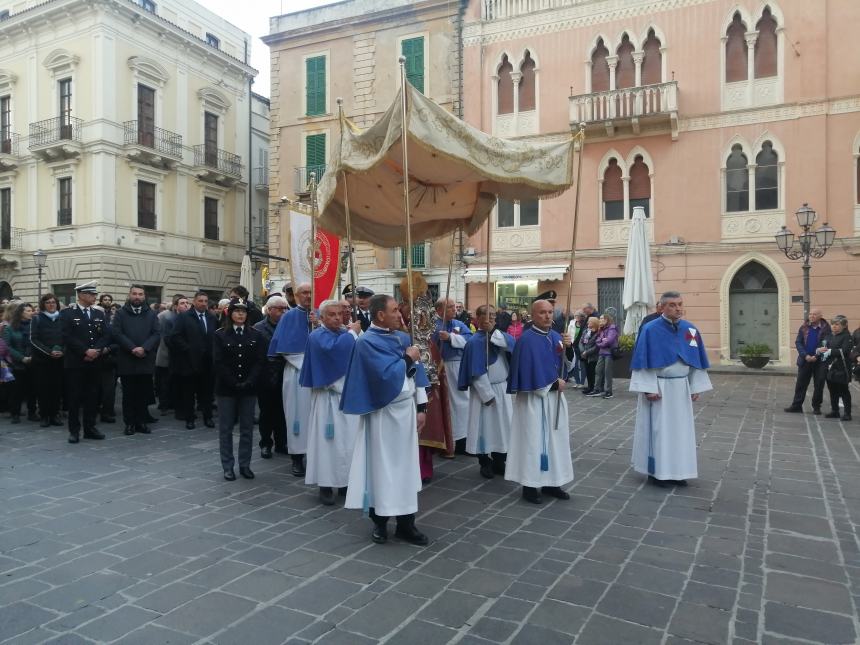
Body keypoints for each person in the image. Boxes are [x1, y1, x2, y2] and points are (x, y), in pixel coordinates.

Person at [341, 294, 429, 546]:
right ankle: (379, 522)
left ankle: (406, 523)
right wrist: (408, 358)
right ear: (380, 315)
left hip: (406, 412)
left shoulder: (402, 338)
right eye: (394, 311)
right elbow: (383, 378)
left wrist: (422, 406)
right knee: (381, 468)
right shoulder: (366, 343)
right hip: (383, 413)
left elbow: (417, 375)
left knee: (406, 469)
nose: (400, 315)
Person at [630, 291, 712, 487]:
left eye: (680, 304)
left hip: (681, 388)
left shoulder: (690, 330)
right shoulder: (650, 329)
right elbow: (642, 360)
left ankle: (678, 471)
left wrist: (695, 386)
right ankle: (656, 472)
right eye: (673, 305)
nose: (678, 308)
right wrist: (648, 388)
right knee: (658, 431)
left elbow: (695, 360)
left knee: (681, 432)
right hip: (659, 388)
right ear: (662, 307)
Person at [506, 299, 574, 504]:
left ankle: (553, 482)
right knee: (533, 441)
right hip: (533, 403)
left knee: (556, 441)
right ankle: (530, 485)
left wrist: (569, 349)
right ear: (533, 315)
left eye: (550, 312)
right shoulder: (526, 340)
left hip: (555, 400)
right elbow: (527, 372)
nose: (547, 316)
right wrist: (553, 385)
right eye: (542, 312)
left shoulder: (555, 336)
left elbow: (566, 365)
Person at [300, 300, 362, 505]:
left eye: (339, 314)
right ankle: (325, 484)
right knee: (327, 444)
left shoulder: (344, 333)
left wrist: (353, 334)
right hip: (329, 398)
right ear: (322, 317)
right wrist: (353, 334)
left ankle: (345, 482)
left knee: (348, 443)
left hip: (348, 399)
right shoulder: (317, 336)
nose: (337, 317)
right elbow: (335, 353)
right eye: (332, 314)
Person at [458, 304, 515, 479]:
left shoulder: (499, 336)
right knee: (484, 428)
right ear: (479, 318)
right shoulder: (474, 342)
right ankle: (485, 462)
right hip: (485, 391)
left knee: (503, 428)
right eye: (487, 315)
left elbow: (510, 345)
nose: (491, 318)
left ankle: (500, 460)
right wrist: (486, 394)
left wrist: (493, 332)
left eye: (493, 315)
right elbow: (476, 372)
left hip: (502, 389)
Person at [213, 298, 266, 481]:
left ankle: (245, 464)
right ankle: (228, 466)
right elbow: (218, 362)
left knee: (247, 428)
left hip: (248, 389)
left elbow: (260, 361)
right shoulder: (220, 335)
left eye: (244, 311)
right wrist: (232, 381)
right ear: (230, 313)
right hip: (227, 389)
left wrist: (250, 381)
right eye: (237, 311)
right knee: (226, 429)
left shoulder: (256, 335)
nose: (240, 314)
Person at [268, 282, 314, 476]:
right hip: (297, 372)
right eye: (304, 292)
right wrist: (311, 366)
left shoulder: (322, 314)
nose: (308, 296)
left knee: (315, 417)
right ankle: (296, 457)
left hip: (321, 377)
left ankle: (315, 456)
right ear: (295, 296)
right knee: (297, 415)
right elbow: (285, 349)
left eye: (311, 292)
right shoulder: (289, 317)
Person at [60, 281, 111, 443]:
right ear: (81, 295)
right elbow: (66, 336)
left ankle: (90, 428)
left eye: (95, 294)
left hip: (94, 361)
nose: (94, 297)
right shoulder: (67, 313)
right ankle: (74, 430)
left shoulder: (98, 313)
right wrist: (84, 351)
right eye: (91, 294)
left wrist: (96, 350)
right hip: (76, 362)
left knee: (92, 396)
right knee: (74, 397)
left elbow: (106, 335)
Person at [111, 285, 161, 436]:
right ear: (129, 295)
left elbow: (157, 333)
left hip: (145, 359)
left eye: (140, 294)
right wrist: (132, 348)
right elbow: (117, 333)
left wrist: (144, 348)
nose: (137, 297)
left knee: (143, 393)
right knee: (128, 394)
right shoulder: (120, 313)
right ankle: (130, 423)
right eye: (134, 294)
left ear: (144, 297)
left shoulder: (151, 314)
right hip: (127, 359)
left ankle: (141, 422)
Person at [168, 291, 217, 429]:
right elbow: (175, 336)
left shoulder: (212, 317)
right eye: (200, 301)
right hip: (189, 362)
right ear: (194, 302)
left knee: (207, 393)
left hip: (207, 363)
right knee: (188, 393)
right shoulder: (184, 317)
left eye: (206, 301)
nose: (203, 304)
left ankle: (208, 417)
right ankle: (189, 419)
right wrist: (188, 349)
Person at [431, 297, 473, 453]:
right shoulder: (433, 325)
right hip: (443, 368)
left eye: (454, 307)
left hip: (459, 367)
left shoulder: (459, 324)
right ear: (439, 310)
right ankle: (447, 441)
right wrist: (438, 337)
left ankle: (463, 440)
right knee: (447, 405)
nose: (454, 310)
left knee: (463, 404)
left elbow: (470, 340)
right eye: (449, 307)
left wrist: (451, 338)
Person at [254, 295, 288, 458]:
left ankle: (282, 443)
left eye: (285, 308)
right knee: (266, 412)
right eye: (280, 309)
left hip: (284, 375)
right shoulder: (258, 328)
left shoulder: (289, 325)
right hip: (265, 377)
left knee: (283, 412)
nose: (284, 311)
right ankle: (266, 443)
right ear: (270, 310)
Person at [785, 308, 831, 414]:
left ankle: (816, 407)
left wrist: (816, 355)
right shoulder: (804, 327)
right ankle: (796, 405)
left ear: (820, 315)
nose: (811, 316)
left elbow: (827, 344)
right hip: (805, 360)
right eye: (810, 314)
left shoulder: (826, 329)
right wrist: (805, 355)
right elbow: (798, 342)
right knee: (801, 383)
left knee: (819, 384)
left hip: (820, 361)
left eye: (814, 314)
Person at [30, 293, 65, 427]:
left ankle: (55, 415)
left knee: (57, 389)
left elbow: (67, 337)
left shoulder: (62, 318)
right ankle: (44, 415)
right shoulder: (37, 318)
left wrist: (62, 351)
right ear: (43, 305)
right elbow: (33, 339)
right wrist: (49, 352)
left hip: (59, 360)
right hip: (42, 361)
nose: (51, 304)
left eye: (53, 302)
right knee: (43, 389)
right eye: (48, 302)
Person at [3, 302, 37, 423]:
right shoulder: (10, 328)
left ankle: (32, 412)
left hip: (33, 362)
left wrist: (32, 356)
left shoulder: (34, 326)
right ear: (20, 313)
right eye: (28, 311)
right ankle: (15, 413)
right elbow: (7, 347)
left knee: (32, 389)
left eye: (31, 310)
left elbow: (37, 342)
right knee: (16, 391)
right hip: (17, 364)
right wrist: (22, 358)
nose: (30, 313)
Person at [155, 294, 189, 416]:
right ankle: (164, 405)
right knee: (166, 380)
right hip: (167, 353)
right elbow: (166, 337)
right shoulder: (166, 316)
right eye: (182, 303)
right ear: (175, 305)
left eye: (187, 303)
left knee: (175, 380)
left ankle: (173, 403)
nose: (186, 305)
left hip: (180, 355)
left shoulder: (186, 316)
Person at [820, 315, 852, 421]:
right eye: (833, 324)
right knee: (832, 390)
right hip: (830, 367)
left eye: (837, 324)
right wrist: (821, 350)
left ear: (844, 326)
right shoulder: (830, 336)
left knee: (843, 391)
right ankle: (835, 411)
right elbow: (826, 346)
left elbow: (845, 350)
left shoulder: (847, 336)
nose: (834, 326)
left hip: (842, 367)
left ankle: (847, 413)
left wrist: (831, 351)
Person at [589, 312, 619, 399]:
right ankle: (597, 389)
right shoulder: (601, 329)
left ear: (607, 319)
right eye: (600, 318)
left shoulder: (612, 328)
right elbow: (597, 340)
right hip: (601, 353)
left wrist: (601, 342)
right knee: (598, 371)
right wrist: (602, 341)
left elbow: (609, 340)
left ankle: (608, 391)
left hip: (609, 353)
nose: (601, 320)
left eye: (603, 318)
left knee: (607, 373)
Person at [578, 316, 600, 394]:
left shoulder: (598, 333)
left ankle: (594, 387)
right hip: (585, 356)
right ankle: (589, 387)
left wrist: (586, 352)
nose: (588, 323)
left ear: (594, 323)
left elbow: (597, 346)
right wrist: (583, 351)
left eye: (589, 322)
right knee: (588, 372)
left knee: (592, 372)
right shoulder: (586, 331)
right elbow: (581, 342)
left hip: (593, 356)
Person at [566, 311, 587, 388]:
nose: (576, 317)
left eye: (577, 316)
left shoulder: (584, 324)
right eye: (575, 316)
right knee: (574, 364)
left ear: (581, 317)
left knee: (582, 365)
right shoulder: (572, 323)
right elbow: (568, 333)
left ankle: (582, 382)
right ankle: (577, 382)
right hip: (573, 345)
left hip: (581, 346)